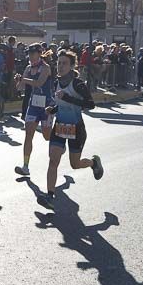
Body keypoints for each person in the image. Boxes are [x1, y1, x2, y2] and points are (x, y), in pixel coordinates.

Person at [41, 49, 103, 206]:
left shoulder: (78, 84)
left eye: (64, 63)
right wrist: (52, 110)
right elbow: (60, 106)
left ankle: (94, 163)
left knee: (75, 164)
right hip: (60, 127)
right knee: (53, 161)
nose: (61, 66)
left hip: (76, 129)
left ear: (71, 66)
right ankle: (49, 196)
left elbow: (90, 104)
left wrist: (68, 97)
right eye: (59, 63)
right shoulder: (56, 83)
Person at [13, 44, 54, 177]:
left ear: (39, 53)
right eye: (29, 53)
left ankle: (59, 143)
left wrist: (23, 79)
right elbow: (20, 88)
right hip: (34, 105)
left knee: (46, 136)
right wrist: (17, 81)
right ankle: (25, 166)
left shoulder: (45, 68)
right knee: (28, 135)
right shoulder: (28, 68)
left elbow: (39, 83)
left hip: (47, 106)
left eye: (32, 53)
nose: (30, 56)